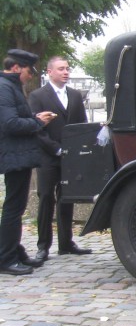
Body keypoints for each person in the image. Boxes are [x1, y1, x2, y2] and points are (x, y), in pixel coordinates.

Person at [0, 49, 57, 275]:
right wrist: (37, 122)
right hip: (14, 155)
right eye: (29, 70)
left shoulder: (10, 86)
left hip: (19, 155)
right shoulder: (5, 88)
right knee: (13, 208)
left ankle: (14, 251)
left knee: (15, 207)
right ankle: (7, 258)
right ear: (16, 68)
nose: (31, 75)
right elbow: (10, 123)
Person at [29, 56, 91, 261]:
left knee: (67, 198)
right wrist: (56, 149)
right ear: (50, 72)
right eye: (61, 69)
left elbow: (82, 124)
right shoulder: (38, 95)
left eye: (68, 68)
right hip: (48, 157)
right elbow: (36, 129)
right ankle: (43, 246)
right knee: (46, 198)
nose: (66, 72)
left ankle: (66, 243)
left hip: (70, 157)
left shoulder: (74, 95)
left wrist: (78, 149)